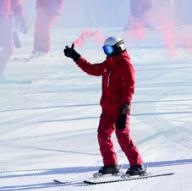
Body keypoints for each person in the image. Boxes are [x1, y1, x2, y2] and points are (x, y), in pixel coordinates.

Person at [62, 36, 146, 176]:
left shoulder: (126, 65)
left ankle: (138, 165)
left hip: (120, 109)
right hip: (107, 109)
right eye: (104, 50)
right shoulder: (108, 64)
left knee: (123, 136)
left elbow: (129, 89)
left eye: (109, 49)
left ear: (118, 48)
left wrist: (124, 112)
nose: (106, 53)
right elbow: (91, 69)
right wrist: (75, 57)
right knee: (102, 135)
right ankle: (111, 164)